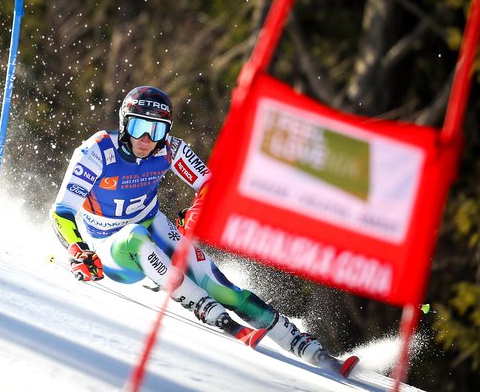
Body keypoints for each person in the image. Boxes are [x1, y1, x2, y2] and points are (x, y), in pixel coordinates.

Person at [50, 85, 342, 370]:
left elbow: (210, 186)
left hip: (154, 224)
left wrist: (198, 210)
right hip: (110, 246)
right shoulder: (97, 151)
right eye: (139, 126)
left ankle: (300, 343)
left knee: (222, 288)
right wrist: (78, 250)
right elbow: (61, 211)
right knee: (135, 237)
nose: (146, 139)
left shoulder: (171, 149)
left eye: (157, 130)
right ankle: (206, 310)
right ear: (125, 123)